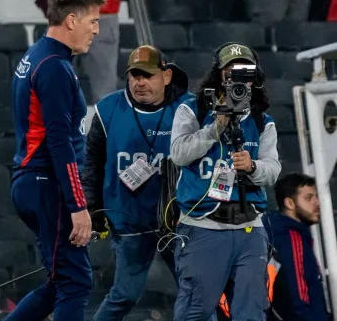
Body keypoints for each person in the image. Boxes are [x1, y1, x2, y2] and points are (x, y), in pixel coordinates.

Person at [7, 0, 106, 321]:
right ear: (72, 20)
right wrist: (78, 205)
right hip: (47, 182)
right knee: (75, 283)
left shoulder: (38, 56)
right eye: (93, 21)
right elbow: (59, 142)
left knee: (60, 282)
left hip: (31, 181)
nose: (96, 29)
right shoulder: (53, 65)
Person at [170, 42, 282, 321]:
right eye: (230, 71)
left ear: (255, 76)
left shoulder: (261, 121)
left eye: (243, 71)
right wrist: (214, 128)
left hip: (249, 228)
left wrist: (253, 166)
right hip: (203, 225)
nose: (236, 77)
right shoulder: (193, 108)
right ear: (219, 74)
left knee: (252, 313)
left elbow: (273, 170)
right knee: (195, 311)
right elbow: (178, 154)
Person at [82, 45, 190, 321]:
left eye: (147, 75)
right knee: (125, 295)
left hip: (179, 221)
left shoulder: (189, 108)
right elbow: (92, 164)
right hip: (129, 218)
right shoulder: (107, 110)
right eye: (134, 75)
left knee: (196, 292)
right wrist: (92, 206)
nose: (140, 82)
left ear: (166, 77)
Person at [263, 173, 330, 320]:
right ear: (289, 203)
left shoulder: (283, 234)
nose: (317, 203)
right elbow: (299, 296)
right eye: (309, 198)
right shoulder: (290, 237)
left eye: (316, 196)